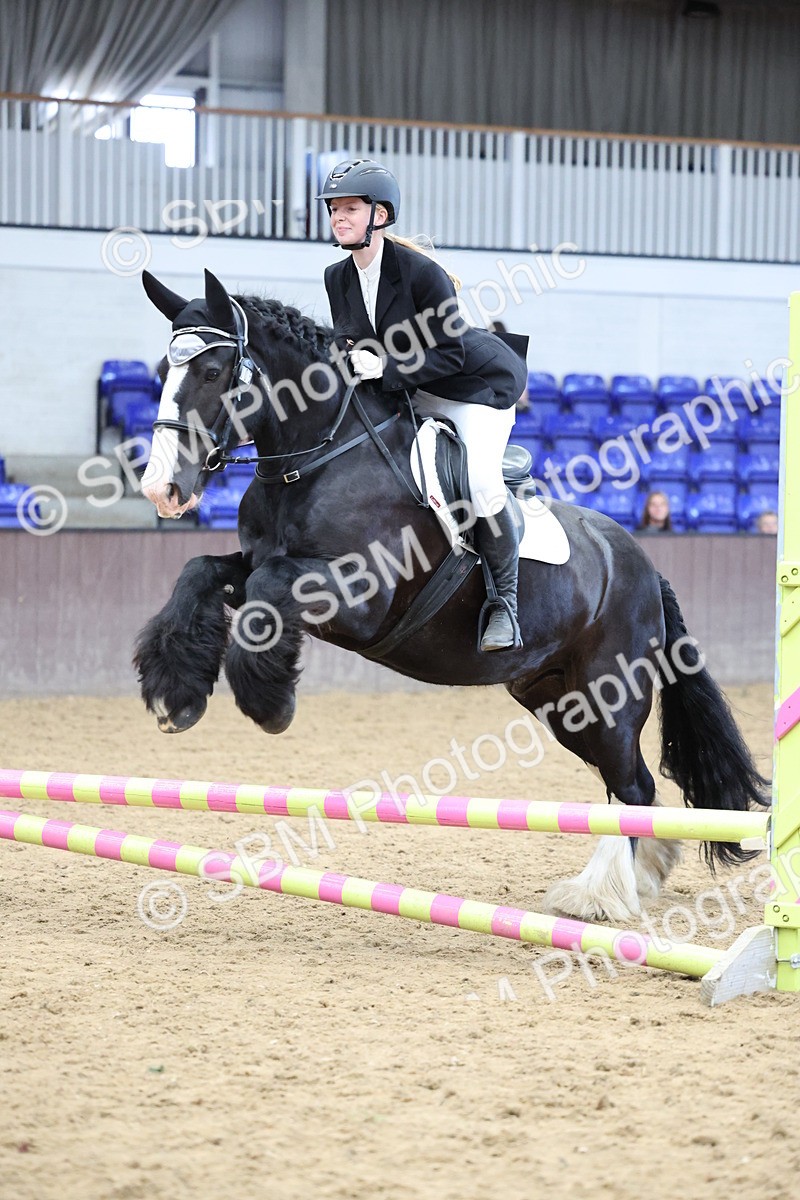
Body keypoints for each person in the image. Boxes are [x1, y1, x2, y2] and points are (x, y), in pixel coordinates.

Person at [318, 159, 529, 651]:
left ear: (381, 215)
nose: (339, 218)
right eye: (334, 210)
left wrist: (385, 367)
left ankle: (505, 605)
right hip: (413, 390)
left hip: (474, 390)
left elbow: (450, 353)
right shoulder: (338, 278)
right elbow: (349, 344)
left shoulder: (421, 274)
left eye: (350, 208)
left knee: (479, 482)